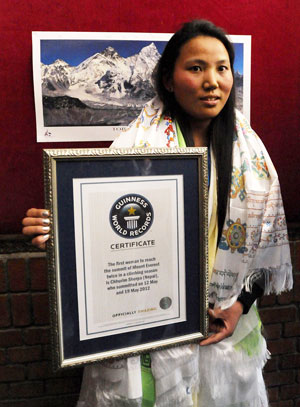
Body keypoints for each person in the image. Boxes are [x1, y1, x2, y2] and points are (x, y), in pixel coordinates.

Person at [22, 20, 292, 407]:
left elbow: (265, 241)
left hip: (226, 336)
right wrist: (60, 229)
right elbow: (105, 230)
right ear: (168, 78)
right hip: (148, 336)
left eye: (221, 68)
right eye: (196, 68)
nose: (212, 81)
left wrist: (238, 307)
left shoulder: (252, 155)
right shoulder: (134, 145)